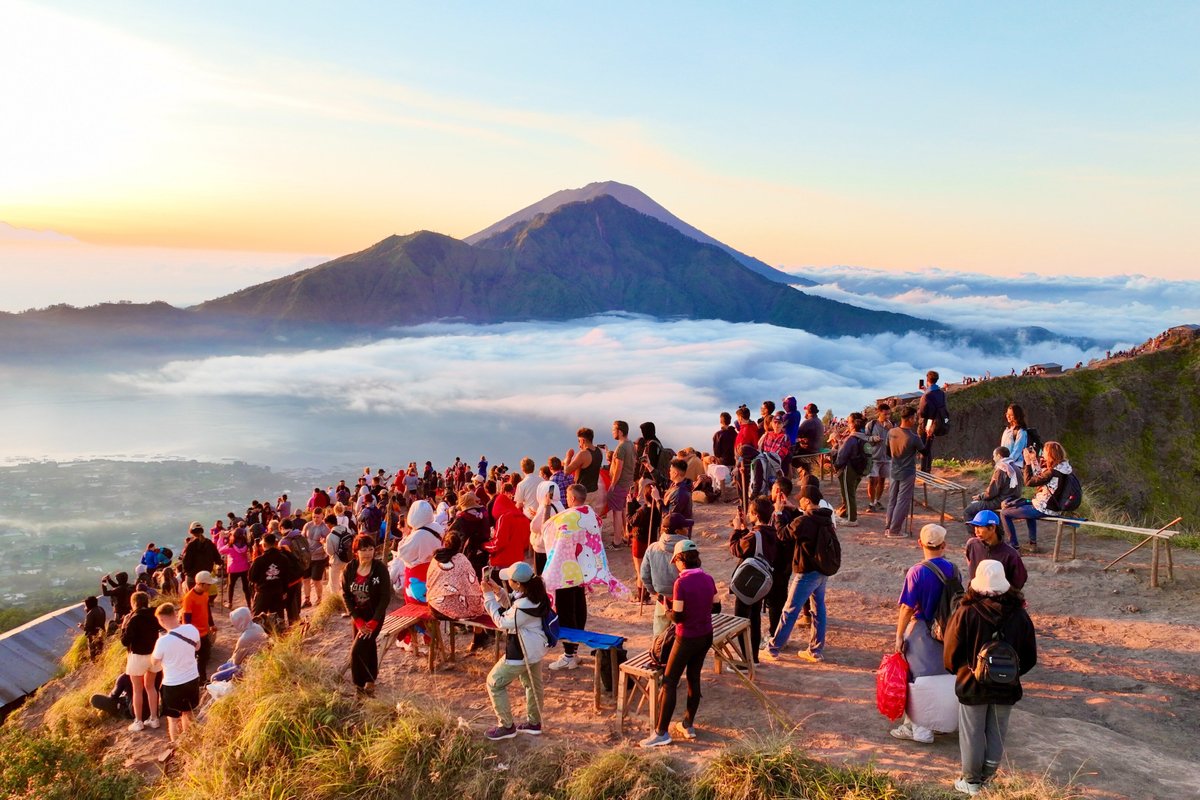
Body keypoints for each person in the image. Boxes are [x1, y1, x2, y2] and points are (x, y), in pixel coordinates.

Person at [943, 560, 1037, 795]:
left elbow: (950, 652)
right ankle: (988, 777)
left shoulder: (966, 611)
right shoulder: (1019, 614)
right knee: (997, 731)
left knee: (972, 733)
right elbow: (1030, 656)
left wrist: (960, 671)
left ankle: (971, 781)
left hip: (972, 685)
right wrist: (1011, 676)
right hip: (1007, 686)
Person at [640, 539, 717, 747]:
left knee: (669, 682)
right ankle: (688, 724)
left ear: (680, 560)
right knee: (694, 678)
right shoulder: (708, 578)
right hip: (706, 635)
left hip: (686, 638)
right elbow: (716, 607)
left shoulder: (681, 583)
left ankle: (661, 732)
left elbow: (678, 617)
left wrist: (667, 609)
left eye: (675, 561)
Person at [890, 524, 958, 745]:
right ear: (944, 545)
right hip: (947, 631)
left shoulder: (917, 572)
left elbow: (907, 608)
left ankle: (919, 730)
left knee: (917, 680)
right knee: (943, 677)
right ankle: (941, 724)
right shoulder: (953, 568)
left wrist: (899, 636)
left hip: (921, 631)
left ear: (920, 543)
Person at [480, 561, 550, 740]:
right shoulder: (536, 595)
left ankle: (506, 726)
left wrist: (488, 597)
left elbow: (503, 621)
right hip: (536, 648)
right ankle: (534, 723)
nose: (508, 581)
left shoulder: (524, 605)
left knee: (494, 683)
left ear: (518, 584)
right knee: (533, 685)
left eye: (510, 580)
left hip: (522, 650)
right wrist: (498, 591)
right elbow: (514, 604)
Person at [765, 491, 835, 662]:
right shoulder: (825, 517)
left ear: (808, 500)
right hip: (822, 570)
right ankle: (815, 650)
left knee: (790, 610)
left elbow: (782, 534)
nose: (800, 503)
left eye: (801, 500)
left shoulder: (804, 521)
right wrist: (795, 509)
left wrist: (779, 513)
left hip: (807, 572)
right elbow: (806, 519)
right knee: (819, 610)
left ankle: (773, 648)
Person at [546, 484, 595, 671]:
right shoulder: (589, 515)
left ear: (573, 498)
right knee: (579, 608)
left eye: (567, 496)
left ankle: (569, 655)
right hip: (582, 569)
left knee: (566, 612)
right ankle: (573, 651)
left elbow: (550, 538)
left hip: (566, 571)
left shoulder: (567, 518)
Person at [999, 441, 1076, 553]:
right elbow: (1040, 477)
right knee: (1025, 504)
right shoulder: (1064, 468)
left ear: (1050, 454)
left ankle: (1013, 546)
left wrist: (1028, 463)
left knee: (1004, 513)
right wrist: (1034, 459)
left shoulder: (1053, 472)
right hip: (1054, 506)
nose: (1043, 455)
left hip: (1045, 508)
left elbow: (1029, 482)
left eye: (1044, 452)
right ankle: (1032, 544)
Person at [728, 495, 777, 662]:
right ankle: (753, 658)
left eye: (750, 513)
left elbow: (736, 549)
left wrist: (736, 529)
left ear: (755, 515)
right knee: (755, 619)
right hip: (761, 583)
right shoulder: (772, 532)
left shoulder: (754, 536)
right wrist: (743, 530)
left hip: (746, 583)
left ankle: (745, 660)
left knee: (741, 621)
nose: (748, 516)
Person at [341, 533, 392, 693]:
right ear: (356, 551)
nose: (369, 553)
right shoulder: (350, 568)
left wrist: (374, 621)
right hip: (358, 616)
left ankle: (359, 686)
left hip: (374, 615)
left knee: (356, 651)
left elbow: (385, 596)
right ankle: (370, 679)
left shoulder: (379, 569)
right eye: (364, 549)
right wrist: (357, 620)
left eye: (371, 549)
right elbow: (345, 595)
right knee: (368, 646)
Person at [150, 602, 201, 743]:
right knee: (188, 714)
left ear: (161, 620)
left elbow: (154, 662)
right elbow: (197, 647)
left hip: (172, 684)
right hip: (192, 678)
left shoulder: (162, 641)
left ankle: (177, 746)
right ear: (175, 614)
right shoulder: (191, 629)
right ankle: (189, 741)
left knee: (173, 720)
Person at [640, 512, 693, 636]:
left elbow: (644, 574)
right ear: (678, 531)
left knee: (659, 636)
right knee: (682, 634)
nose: (687, 529)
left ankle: (658, 654)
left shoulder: (652, 548)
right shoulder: (687, 549)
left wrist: (654, 592)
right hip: (683, 599)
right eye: (684, 527)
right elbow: (694, 573)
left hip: (662, 598)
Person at [120, 590, 161, 731]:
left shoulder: (134, 618)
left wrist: (124, 626)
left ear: (134, 603)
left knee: (137, 690)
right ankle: (154, 718)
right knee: (151, 687)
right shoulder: (155, 614)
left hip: (137, 656)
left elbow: (125, 641)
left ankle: (138, 721)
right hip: (154, 655)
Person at [766, 477, 801, 639]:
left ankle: (776, 634)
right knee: (781, 595)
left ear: (779, 492)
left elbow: (780, 535)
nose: (770, 492)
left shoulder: (779, 514)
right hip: (787, 562)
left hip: (777, 562)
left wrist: (778, 513)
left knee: (776, 600)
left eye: (773, 489)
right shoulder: (793, 513)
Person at [427, 531, 487, 621]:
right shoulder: (462, 559)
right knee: (476, 599)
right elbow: (472, 585)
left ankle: (478, 633)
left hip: (436, 608)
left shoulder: (436, 559)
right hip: (460, 610)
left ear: (444, 543)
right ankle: (478, 633)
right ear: (460, 545)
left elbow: (429, 583)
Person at [394, 500, 445, 603]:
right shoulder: (437, 527)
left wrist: (404, 533)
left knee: (417, 605)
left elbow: (402, 553)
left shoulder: (418, 535)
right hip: (435, 569)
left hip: (418, 575)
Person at [964, 510, 1027, 590]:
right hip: (976, 596)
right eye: (975, 527)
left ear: (992, 527)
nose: (976, 531)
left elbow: (1019, 581)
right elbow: (970, 563)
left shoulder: (1010, 554)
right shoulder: (972, 545)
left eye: (979, 527)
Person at [884, 406, 922, 539]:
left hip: (894, 469)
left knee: (892, 499)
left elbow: (888, 452)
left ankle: (888, 526)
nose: (916, 420)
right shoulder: (913, 437)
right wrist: (928, 437)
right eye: (915, 418)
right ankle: (895, 530)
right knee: (903, 500)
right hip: (908, 471)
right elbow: (925, 452)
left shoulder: (891, 432)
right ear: (911, 418)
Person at [248, 532, 298, 626]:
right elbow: (286, 576)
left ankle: (260, 638)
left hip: (263, 592)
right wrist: (284, 591)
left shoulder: (259, 560)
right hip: (278, 592)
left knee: (257, 619)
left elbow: (251, 577)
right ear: (275, 543)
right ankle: (279, 638)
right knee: (278, 620)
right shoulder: (283, 558)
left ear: (264, 544)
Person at [180, 570, 218, 682]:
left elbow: (207, 609)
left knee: (204, 657)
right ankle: (198, 679)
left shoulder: (205, 594)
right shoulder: (189, 598)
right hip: (193, 634)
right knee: (195, 659)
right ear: (200, 584)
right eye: (208, 584)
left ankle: (202, 680)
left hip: (204, 631)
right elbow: (186, 619)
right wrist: (189, 636)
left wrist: (211, 624)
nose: (210, 586)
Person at [963, 448, 1023, 520]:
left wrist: (980, 497)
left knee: (968, 511)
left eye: (994, 456)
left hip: (1001, 501)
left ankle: (977, 531)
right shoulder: (1016, 467)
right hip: (1014, 499)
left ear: (999, 456)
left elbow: (991, 492)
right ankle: (994, 530)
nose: (993, 458)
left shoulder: (1001, 468)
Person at [564, 426, 606, 525]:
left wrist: (568, 458)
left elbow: (566, 471)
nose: (579, 443)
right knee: (591, 518)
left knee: (579, 521)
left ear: (583, 440)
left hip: (582, 493)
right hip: (594, 490)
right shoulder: (599, 451)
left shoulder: (583, 454)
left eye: (579, 441)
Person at [833, 412, 867, 527]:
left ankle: (852, 519)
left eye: (849, 422)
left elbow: (842, 456)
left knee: (848, 493)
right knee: (850, 493)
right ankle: (845, 513)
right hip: (860, 468)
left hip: (849, 469)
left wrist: (836, 466)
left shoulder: (851, 439)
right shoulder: (864, 437)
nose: (847, 424)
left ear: (852, 424)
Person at [607, 420, 637, 549]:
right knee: (624, 511)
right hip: (629, 482)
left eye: (614, 430)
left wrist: (613, 484)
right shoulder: (631, 445)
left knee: (617, 512)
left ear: (620, 431)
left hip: (620, 484)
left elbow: (618, 468)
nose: (612, 432)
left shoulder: (621, 447)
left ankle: (617, 541)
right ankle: (626, 536)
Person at [529, 480, 563, 575]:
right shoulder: (559, 504)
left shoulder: (544, 506)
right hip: (555, 544)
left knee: (542, 574)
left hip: (542, 547)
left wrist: (535, 518)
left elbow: (535, 527)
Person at [917, 370, 948, 472]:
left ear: (927, 380)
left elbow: (922, 412)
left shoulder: (926, 395)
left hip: (926, 423)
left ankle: (923, 470)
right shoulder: (941, 393)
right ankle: (928, 469)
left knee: (922, 447)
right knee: (928, 446)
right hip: (936, 422)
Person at [864, 403, 893, 513]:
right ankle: (871, 503)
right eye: (885, 414)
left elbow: (896, 439)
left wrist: (892, 430)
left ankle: (877, 500)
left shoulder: (892, 425)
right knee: (873, 480)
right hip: (874, 458)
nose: (887, 417)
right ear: (879, 413)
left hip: (887, 458)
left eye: (889, 414)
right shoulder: (871, 425)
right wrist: (872, 438)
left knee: (882, 480)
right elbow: (865, 438)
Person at [217, 526, 252, 609]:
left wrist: (221, 538)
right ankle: (249, 604)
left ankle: (230, 603)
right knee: (246, 587)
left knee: (231, 585)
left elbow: (220, 550)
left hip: (233, 568)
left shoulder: (230, 546)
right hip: (244, 567)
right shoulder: (246, 545)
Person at [180, 521, 221, 590]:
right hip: (205, 576)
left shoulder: (190, 545)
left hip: (192, 576)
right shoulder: (209, 543)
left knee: (192, 597)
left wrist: (186, 572)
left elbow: (185, 561)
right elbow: (217, 558)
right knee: (203, 597)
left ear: (191, 532)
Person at [302, 512, 330, 607]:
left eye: (317, 517)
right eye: (314, 517)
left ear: (322, 516)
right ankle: (307, 600)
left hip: (319, 557)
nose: (315, 519)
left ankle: (319, 598)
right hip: (308, 557)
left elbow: (327, 543)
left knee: (316, 580)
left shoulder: (325, 528)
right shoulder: (307, 525)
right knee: (305, 579)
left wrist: (316, 551)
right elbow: (303, 538)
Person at [1000, 404, 1030, 469]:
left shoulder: (1021, 432)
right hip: (1005, 465)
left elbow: (1017, 451)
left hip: (1015, 466)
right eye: (1007, 414)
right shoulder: (1007, 430)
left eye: (1011, 415)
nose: (1008, 416)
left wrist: (1007, 462)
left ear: (1017, 416)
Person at [80, 595, 106, 660]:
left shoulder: (90, 614)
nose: (85, 607)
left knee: (94, 655)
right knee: (101, 650)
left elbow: (87, 628)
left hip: (93, 636)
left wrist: (81, 626)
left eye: (85, 605)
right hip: (102, 633)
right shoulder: (101, 609)